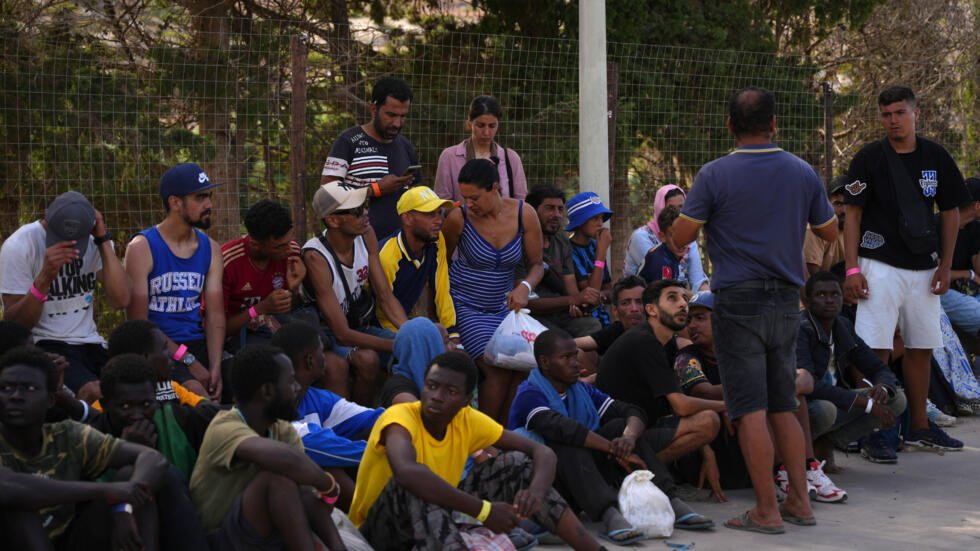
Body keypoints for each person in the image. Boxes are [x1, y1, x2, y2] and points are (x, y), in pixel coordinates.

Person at [673, 86, 835, 533]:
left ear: (730, 125)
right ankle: (800, 503)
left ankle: (766, 510)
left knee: (748, 408)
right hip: (787, 298)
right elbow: (830, 229)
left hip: (738, 298)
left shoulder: (713, 174)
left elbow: (682, 236)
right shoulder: (802, 171)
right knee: (783, 404)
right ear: (774, 124)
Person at [349, 350, 603, 551]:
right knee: (418, 483)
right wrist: (484, 510)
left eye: (450, 391)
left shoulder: (466, 419)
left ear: (466, 400)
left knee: (514, 463)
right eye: (432, 385)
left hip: (436, 518)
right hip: (379, 532)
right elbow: (406, 473)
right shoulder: (400, 418)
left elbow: (542, 453)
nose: (436, 396)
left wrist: (534, 494)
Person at [842, 85, 969, 451]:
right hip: (878, 264)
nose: (893, 120)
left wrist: (945, 265)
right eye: (886, 114)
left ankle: (918, 425)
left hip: (924, 267)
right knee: (875, 347)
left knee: (921, 346)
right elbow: (852, 216)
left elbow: (950, 212)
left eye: (900, 112)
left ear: (916, 113)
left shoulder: (936, 156)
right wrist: (852, 269)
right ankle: (876, 429)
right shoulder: (868, 158)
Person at [509, 329, 714, 540]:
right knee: (566, 443)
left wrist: (628, 439)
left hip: (582, 478)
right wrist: (611, 448)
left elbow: (630, 411)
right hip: (543, 488)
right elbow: (562, 428)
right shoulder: (529, 393)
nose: (576, 363)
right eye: (566, 357)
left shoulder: (581, 390)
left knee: (618, 426)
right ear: (544, 362)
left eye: (575, 355)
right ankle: (608, 514)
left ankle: (669, 499)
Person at [0, 345, 170, 550]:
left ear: (51, 400)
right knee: (20, 508)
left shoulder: (67, 435)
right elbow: (12, 488)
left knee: (132, 477)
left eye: (30, 388)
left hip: (70, 540)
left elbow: (153, 458)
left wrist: (123, 506)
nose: (16, 396)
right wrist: (109, 491)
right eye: (6, 388)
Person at [189, 345, 345, 550]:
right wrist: (329, 485)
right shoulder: (224, 426)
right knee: (277, 478)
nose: (297, 388)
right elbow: (287, 461)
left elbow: (304, 490)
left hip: (265, 533)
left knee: (305, 491)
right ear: (268, 391)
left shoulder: (283, 430)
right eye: (291, 381)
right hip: (218, 540)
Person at [0, 191, 131, 403]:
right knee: (94, 393)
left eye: (76, 240)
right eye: (60, 238)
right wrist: (44, 278)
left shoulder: (92, 241)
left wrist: (103, 239)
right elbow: (14, 326)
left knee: (126, 388)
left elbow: (121, 300)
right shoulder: (20, 246)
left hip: (90, 342)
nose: (69, 246)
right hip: (44, 343)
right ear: (47, 218)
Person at [442, 158, 544, 423]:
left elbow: (537, 265)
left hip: (503, 308)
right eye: (465, 197)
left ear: (495, 187)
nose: (469, 204)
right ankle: (484, 439)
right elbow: (439, 268)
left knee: (523, 365)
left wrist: (524, 286)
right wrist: (444, 323)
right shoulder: (458, 218)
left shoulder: (525, 213)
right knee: (497, 368)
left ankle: (507, 436)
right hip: (465, 306)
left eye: (474, 197)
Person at [596, 281, 723, 485]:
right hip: (620, 436)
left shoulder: (666, 343)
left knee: (707, 418)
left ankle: (634, 475)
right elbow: (681, 406)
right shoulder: (644, 341)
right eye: (672, 298)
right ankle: (625, 477)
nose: (683, 304)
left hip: (644, 428)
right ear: (651, 309)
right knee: (708, 420)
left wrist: (708, 452)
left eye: (684, 298)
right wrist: (729, 406)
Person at [125, 162, 226, 401]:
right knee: (198, 395)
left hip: (197, 344)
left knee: (247, 381)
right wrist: (189, 361)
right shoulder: (142, 248)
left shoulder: (211, 249)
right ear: (175, 202)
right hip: (157, 349)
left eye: (209, 197)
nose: (209, 204)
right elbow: (139, 323)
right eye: (200, 198)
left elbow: (215, 315)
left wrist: (215, 367)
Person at [301, 182, 408, 405]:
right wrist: (398, 344)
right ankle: (361, 421)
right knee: (368, 360)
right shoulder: (316, 257)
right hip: (326, 331)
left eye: (365, 206)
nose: (365, 213)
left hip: (357, 323)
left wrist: (409, 334)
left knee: (420, 340)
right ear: (332, 220)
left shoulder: (366, 234)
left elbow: (385, 296)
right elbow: (341, 333)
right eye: (357, 210)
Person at [800, 272, 908, 465]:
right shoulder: (801, 329)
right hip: (806, 406)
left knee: (896, 398)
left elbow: (877, 367)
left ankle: (826, 444)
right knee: (825, 410)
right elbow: (810, 387)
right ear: (807, 301)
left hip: (836, 400)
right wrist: (866, 403)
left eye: (835, 294)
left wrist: (882, 387)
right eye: (821, 295)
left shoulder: (842, 325)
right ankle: (801, 456)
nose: (829, 300)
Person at [320, 77, 420, 240]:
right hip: (358, 246)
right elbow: (326, 194)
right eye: (391, 115)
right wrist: (374, 189)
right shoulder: (348, 141)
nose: (397, 123)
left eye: (403, 116)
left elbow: (416, 191)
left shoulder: (405, 146)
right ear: (374, 109)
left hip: (399, 246)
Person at [272, 322, 382, 469]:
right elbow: (343, 452)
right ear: (310, 361)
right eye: (321, 352)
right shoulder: (273, 414)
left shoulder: (317, 398)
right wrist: (397, 452)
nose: (325, 358)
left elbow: (376, 418)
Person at [222, 199, 305, 351]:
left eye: (290, 240)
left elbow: (293, 309)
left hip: (276, 327)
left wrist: (294, 288)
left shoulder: (292, 253)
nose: (288, 249)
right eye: (280, 246)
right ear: (255, 244)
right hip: (237, 337)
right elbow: (217, 327)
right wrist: (260, 308)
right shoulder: (227, 263)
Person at [518, 185, 601, 337]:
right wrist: (573, 300)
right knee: (558, 340)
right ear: (532, 211)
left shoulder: (561, 241)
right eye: (549, 208)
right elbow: (526, 302)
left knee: (592, 326)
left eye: (560, 209)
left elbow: (571, 290)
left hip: (560, 313)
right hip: (529, 316)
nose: (556, 214)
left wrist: (577, 305)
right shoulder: (518, 245)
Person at [376, 186, 458, 340]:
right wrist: (416, 337)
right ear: (407, 218)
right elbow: (382, 312)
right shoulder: (387, 256)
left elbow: (442, 290)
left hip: (410, 323)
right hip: (384, 328)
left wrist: (453, 335)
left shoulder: (436, 240)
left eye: (440, 213)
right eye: (430, 214)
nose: (439, 220)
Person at [434, 95, 528, 202]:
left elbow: (521, 202)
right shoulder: (449, 156)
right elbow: (442, 203)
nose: (486, 132)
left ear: (498, 124)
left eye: (492, 126)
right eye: (480, 125)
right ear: (469, 122)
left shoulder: (511, 158)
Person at [104, 319, 206, 408]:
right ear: (145, 357)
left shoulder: (171, 387)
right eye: (165, 348)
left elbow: (206, 408)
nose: (170, 353)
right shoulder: (112, 401)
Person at [624, 184, 708, 290]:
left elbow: (698, 280)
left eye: (682, 207)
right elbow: (666, 287)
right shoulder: (642, 239)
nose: (679, 214)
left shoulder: (687, 237)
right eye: (671, 208)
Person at [937, 177, 980, 334]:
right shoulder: (937, 224)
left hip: (969, 291)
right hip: (942, 291)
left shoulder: (974, 228)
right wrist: (969, 274)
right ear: (976, 205)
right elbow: (935, 274)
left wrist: (973, 274)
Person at [380, 316, 453, 406]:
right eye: (446, 342)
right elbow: (419, 413)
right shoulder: (398, 387)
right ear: (429, 348)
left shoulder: (441, 378)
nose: (453, 346)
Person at [567, 192, 614, 326]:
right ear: (580, 222)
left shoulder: (595, 245)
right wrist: (601, 254)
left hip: (603, 316)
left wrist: (601, 295)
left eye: (602, 218)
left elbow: (608, 290)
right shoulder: (570, 250)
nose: (601, 224)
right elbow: (590, 295)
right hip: (585, 319)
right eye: (595, 219)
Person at [574, 275, 647, 356]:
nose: (634, 309)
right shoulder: (615, 331)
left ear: (649, 307)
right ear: (615, 310)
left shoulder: (659, 330)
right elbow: (572, 344)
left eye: (639, 302)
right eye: (625, 303)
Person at [638, 205, 695, 286]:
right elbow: (664, 296)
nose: (681, 241)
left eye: (684, 233)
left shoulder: (671, 254)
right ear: (662, 237)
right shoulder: (662, 261)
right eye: (673, 235)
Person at [803, 176, 848, 278]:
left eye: (848, 204)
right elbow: (814, 277)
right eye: (838, 204)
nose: (844, 211)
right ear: (826, 204)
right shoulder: (814, 230)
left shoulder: (852, 230)